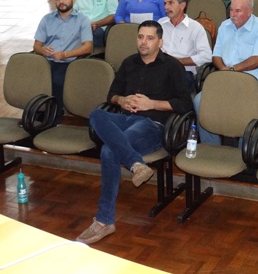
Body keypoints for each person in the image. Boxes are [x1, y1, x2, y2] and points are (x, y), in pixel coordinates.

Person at [77, 20, 193, 245]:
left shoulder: (172, 67)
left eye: (150, 38)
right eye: (140, 37)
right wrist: (122, 100)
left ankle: (104, 221)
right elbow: (111, 95)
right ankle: (136, 164)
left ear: (160, 41)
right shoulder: (129, 63)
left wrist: (152, 104)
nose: (143, 42)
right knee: (97, 114)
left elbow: (185, 104)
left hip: (152, 124)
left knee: (109, 151)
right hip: (125, 119)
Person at [194, 0, 258, 145]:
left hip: (257, 81)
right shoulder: (225, 26)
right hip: (227, 78)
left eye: (238, 11)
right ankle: (211, 147)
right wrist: (224, 70)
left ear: (250, 11)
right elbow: (216, 55)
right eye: (231, 10)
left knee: (247, 108)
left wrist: (231, 70)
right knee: (199, 101)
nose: (232, 14)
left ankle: (243, 153)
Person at [34, 0, 93, 122]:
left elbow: (88, 47)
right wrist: (42, 50)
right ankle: (36, 112)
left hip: (69, 62)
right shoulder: (47, 19)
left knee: (56, 81)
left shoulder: (82, 20)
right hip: (47, 60)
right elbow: (36, 46)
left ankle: (53, 118)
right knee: (32, 79)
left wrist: (65, 54)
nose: (61, 1)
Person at [159, 0, 212, 92]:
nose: (166, 7)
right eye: (165, 3)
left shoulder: (195, 28)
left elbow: (206, 56)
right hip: (159, 69)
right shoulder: (160, 24)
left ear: (182, 5)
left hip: (183, 72)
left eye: (171, 3)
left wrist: (178, 61)